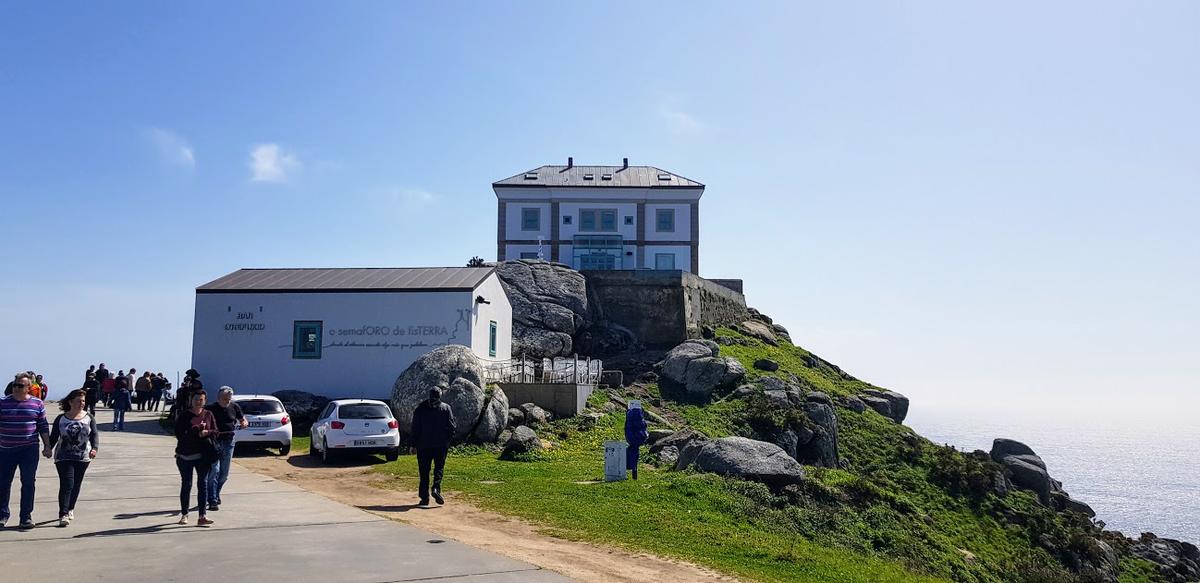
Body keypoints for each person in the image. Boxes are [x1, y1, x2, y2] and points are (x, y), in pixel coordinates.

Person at [0, 373, 51, 529]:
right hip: (6, 449)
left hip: (29, 450)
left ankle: (26, 517)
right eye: (15, 384)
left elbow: (43, 426)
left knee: (28, 482)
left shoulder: (37, 404)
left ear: (29, 387)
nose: (16, 388)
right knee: (3, 483)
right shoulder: (3, 402)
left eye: (20, 385)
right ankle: (2, 515)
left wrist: (47, 446)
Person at [46, 389, 98, 527]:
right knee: (67, 484)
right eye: (78, 401)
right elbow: (54, 436)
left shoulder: (89, 417)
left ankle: (70, 508)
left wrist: (94, 448)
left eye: (83, 401)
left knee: (76, 484)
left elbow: (94, 435)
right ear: (70, 402)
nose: (81, 403)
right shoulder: (61, 418)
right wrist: (48, 448)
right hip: (63, 456)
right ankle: (63, 513)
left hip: (83, 456)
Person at [173, 390, 216, 526]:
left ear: (205, 401)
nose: (198, 402)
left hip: (203, 456)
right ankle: (184, 514)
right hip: (185, 456)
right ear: (191, 400)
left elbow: (216, 432)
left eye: (201, 399)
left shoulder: (208, 414)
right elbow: (179, 434)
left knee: (203, 484)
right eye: (196, 399)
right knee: (187, 484)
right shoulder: (184, 415)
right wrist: (197, 430)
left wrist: (207, 432)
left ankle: (202, 516)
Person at [410, 388, 455, 506]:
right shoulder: (446, 408)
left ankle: (424, 498)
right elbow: (452, 427)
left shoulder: (420, 408)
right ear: (440, 396)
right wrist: (447, 441)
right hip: (440, 445)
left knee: (424, 471)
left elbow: (415, 428)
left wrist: (413, 444)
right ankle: (436, 488)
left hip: (423, 445)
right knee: (439, 468)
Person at [204, 386, 246, 511]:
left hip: (229, 442)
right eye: (224, 399)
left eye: (229, 399)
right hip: (214, 442)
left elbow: (242, 419)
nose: (227, 401)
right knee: (214, 471)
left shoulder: (234, 407)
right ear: (219, 397)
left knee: (224, 474)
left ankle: (216, 493)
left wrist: (244, 423)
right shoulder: (210, 408)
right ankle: (212, 499)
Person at [624, 400, 649, 480]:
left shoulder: (630, 413)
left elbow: (628, 427)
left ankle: (630, 468)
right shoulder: (639, 413)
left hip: (631, 437)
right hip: (638, 437)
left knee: (632, 452)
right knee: (634, 453)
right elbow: (643, 425)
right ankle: (633, 471)